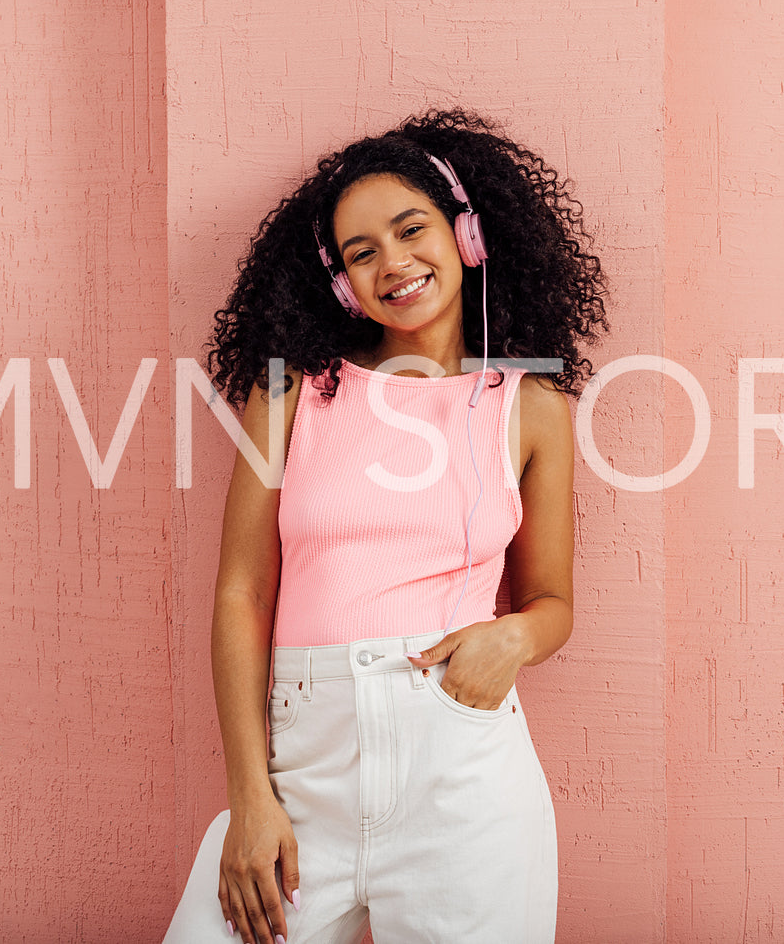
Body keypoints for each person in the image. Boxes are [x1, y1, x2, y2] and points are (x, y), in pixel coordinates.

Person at [163, 108, 609, 944]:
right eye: (361, 253)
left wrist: (510, 641)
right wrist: (249, 798)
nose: (392, 264)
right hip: (305, 770)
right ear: (340, 282)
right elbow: (242, 591)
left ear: (467, 236)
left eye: (411, 231)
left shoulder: (532, 408)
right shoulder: (292, 390)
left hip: (462, 771)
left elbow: (552, 601)